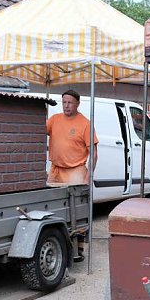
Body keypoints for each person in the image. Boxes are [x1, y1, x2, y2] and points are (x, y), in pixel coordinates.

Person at [46, 89, 98, 261]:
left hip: (76, 169)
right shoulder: (54, 120)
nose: (66, 105)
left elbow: (94, 152)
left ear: (77, 104)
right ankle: (58, 242)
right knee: (51, 205)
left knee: (78, 210)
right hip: (55, 169)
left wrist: (88, 175)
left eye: (69, 102)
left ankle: (79, 249)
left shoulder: (85, 124)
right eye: (64, 102)